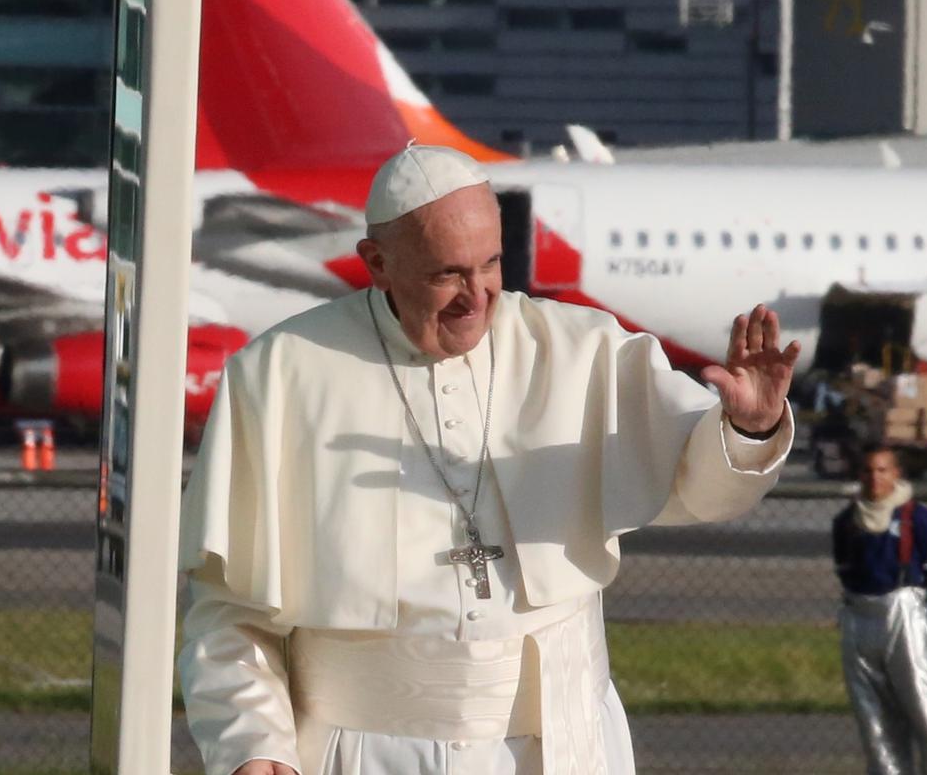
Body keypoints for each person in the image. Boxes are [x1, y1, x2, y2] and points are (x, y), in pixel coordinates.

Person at [175, 145, 799, 775]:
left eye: (491, 265)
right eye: (447, 273)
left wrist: (750, 427)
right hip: (366, 752)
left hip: (562, 747)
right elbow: (229, 608)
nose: (476, 297)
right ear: (377, 264)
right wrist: (252, 742)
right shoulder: (280, 374)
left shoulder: (582, 351)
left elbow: (703, 485)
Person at [832, 445, 927, 775]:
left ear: (896, 474)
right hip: (859, 614)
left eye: (882, 470)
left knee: (925, 710)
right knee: (874, 720)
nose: (874, 478)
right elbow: (845, 568)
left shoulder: (917, 517)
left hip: (903, 610)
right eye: (868, 470)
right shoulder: (847, 521)